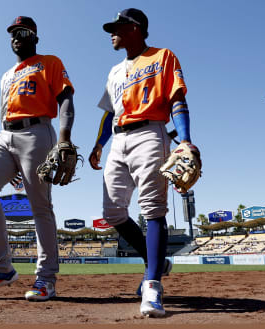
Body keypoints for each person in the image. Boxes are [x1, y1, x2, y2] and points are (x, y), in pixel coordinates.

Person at [89, 8, 195, 317]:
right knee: (112, 212)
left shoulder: (162, 56)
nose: (112, 32)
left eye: (118, 27)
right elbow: (109, 113)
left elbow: (177, 98)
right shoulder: (114, 71)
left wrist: (185, 138)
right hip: (118, 141)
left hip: (150, 133)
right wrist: (98, 145)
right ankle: (157, 262)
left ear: (135, 28)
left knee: (152, 208)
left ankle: (152, 286)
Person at [0, 16, 75, 302]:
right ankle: (1, 268)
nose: (17, 36)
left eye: (23, 31)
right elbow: (5, 113)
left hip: (37, 132)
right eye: (13, 32)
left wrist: (64, 138)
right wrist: (10, 159)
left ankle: (46, 279)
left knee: (40, 204)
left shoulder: (49, 62)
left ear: (35, 36)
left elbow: (65, 99)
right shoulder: (6, 75)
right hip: (5, 135)